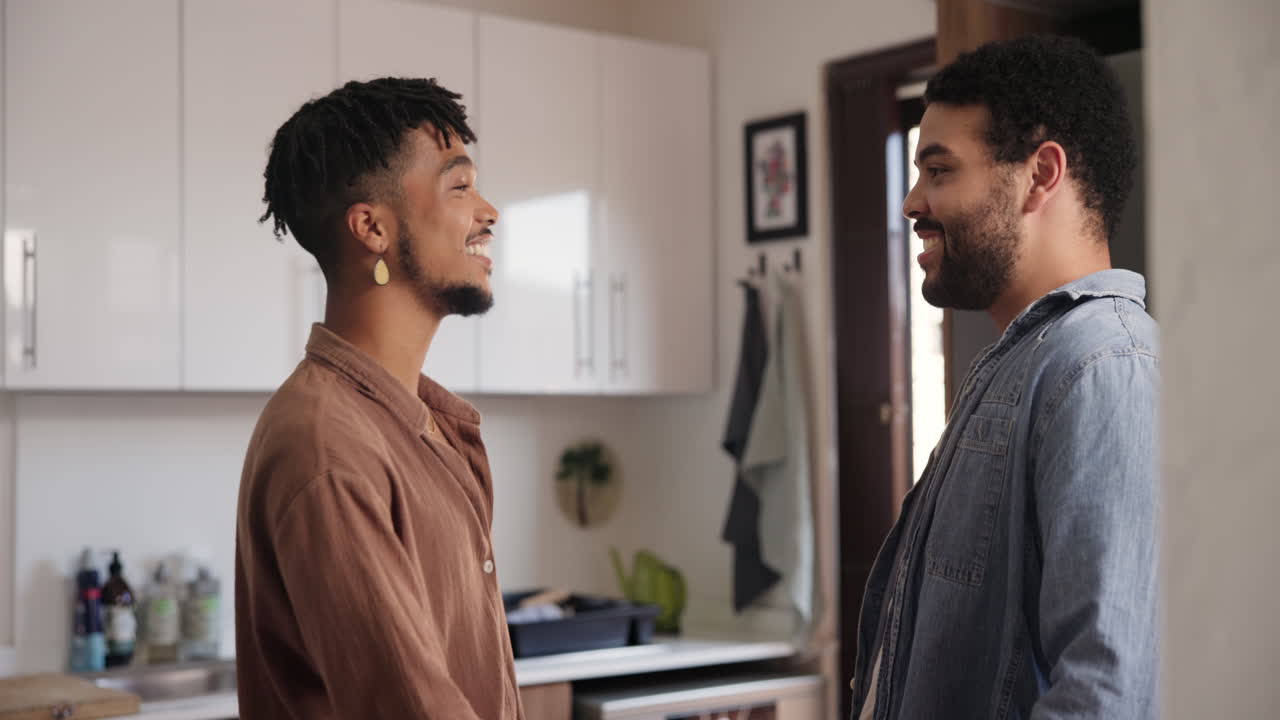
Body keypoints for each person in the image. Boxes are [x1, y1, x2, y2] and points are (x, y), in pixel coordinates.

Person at [850, 35, 1158, 719]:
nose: (911, 202)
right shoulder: (1022, 363)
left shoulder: (1106, 367)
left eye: (939, 170)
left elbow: (1110, 696)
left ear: (1041, 174)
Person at [235, 77, 521, 720]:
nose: (488, 211)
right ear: (372, 227)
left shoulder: (422, 428)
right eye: (459, 185)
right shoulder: (327, 447)